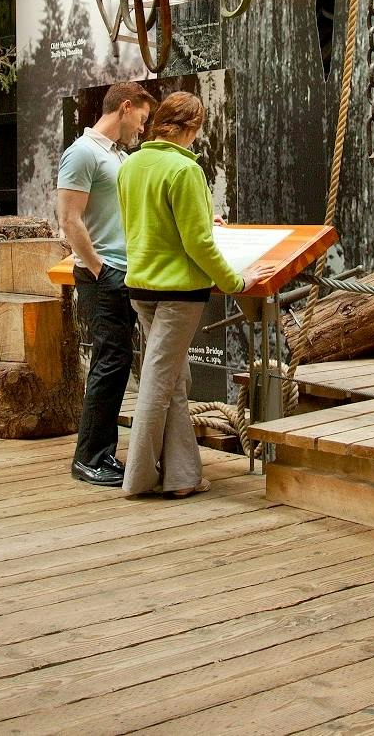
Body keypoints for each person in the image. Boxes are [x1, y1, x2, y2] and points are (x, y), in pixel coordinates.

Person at [116, 91, 250, 499]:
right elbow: (199, 244)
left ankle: (182, 476)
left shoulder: (131, 165)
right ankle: (138, 478)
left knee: (171, 379)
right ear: (192, 128)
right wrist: (233, 282)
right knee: (160, 382)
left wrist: (200, 217)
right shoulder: (185, 170)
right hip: (179, 293)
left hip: (140, 286)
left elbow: (146, 223)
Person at [58, 82, 156, 487]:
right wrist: (101, 270)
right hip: (104, 275)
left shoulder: (116, 155)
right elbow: (68, 219)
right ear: (126, 107)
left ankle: (101, 453)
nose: (143, 129)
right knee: (109, 363)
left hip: (123, 272)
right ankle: (90, 458)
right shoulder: (82, 152)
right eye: (143, 120)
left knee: (115, 365)